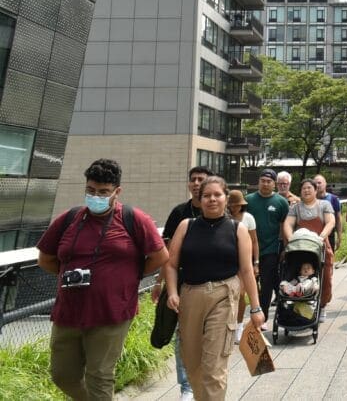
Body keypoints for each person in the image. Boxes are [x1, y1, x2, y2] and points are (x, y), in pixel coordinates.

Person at [37, 159, 167, 401]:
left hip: (112, 312)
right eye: (91, 190)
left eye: (103, 192)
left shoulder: (133, 218)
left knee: (99, 375)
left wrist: (129, 277)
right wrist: (70, 276)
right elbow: (45, 258)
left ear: (117, 191)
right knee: (62, 374)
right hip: (68, 311)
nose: (95, 196)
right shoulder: (70, 218)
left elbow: (160, 256)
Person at [165, 176, 263, 401]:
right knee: (193, 364)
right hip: (189, 296)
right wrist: (171, 292)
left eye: (217, 194)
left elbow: (247, 271)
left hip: (223, 295)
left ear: (226, 198)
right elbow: (170, 264)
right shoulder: (186, 226)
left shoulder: (237, 229)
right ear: (199, 200)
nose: (212, 199)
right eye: (206, 195)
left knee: (214, 366)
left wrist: (256, 308)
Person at [153, 165, 209, 401]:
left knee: (208, 335)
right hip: (183, 283)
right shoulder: (179, 213)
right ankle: (187, 387)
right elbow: (166, 253)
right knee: (182, 334)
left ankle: (205, 381)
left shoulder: (220, 213)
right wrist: (160, 282)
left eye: (201, 180)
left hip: (213, 286)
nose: (196, 183)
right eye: (193, 180)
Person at [283, 179, 335, 322]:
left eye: (309, 188)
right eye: (303, 188)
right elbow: (288, 224)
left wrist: (321, 237)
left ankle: (322, 306)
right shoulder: (295, 208)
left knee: (325, 279)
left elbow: (330, 222)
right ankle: (299, 305)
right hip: (302, 248)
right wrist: (291, 240)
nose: (306, 190)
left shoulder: (324, 205)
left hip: (321, 246)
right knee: (300, 276)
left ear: (315, 190)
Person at [245, 169, 289, 326]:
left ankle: (262, 317)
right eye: (262, 180)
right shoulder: (248, 200)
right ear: (259, 182)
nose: (265, 184)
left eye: (269, 181)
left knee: (266, 284)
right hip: (248, 249)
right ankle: (250, 312)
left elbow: (285, 227)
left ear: (274, 184)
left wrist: (285, 247)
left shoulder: (281, 202)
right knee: (248, 283)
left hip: (270, 249)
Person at [227, 189, 258, 344]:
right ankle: (229, 326)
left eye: (238, 205)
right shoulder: (224, 217)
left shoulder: (248, 218)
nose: (235, 208)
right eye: (232, 205)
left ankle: (239, 326)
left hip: (244, 260)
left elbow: (254, 241)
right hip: (227, 259)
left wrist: (256, 262)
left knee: (240, 295)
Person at [314, 173, 342, 250]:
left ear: (325, 183)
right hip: (314, 234)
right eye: (315, 183)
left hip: (330, 234)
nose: (317, 185)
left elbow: (338, 218)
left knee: (329, 259)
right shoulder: (310, 199)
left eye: (319, 182)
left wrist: (339, 236)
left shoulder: (333, 199)